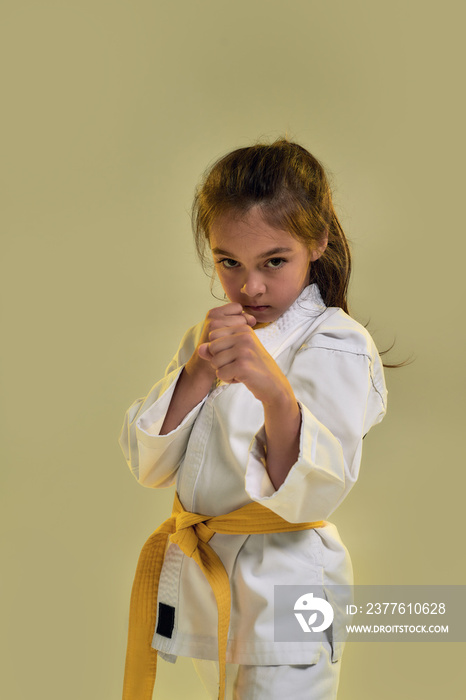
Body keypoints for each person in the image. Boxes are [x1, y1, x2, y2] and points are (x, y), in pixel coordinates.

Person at [118, 138, 388, 700]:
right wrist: (197, 370)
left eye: (274, 261)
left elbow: (315, 491)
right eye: (228, 263)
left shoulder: (337, 342)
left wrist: (273, 390)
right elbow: (149, 466)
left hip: (294, 589)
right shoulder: (208, 338)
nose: (251, 286)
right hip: (210, 578)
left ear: (316, 242)